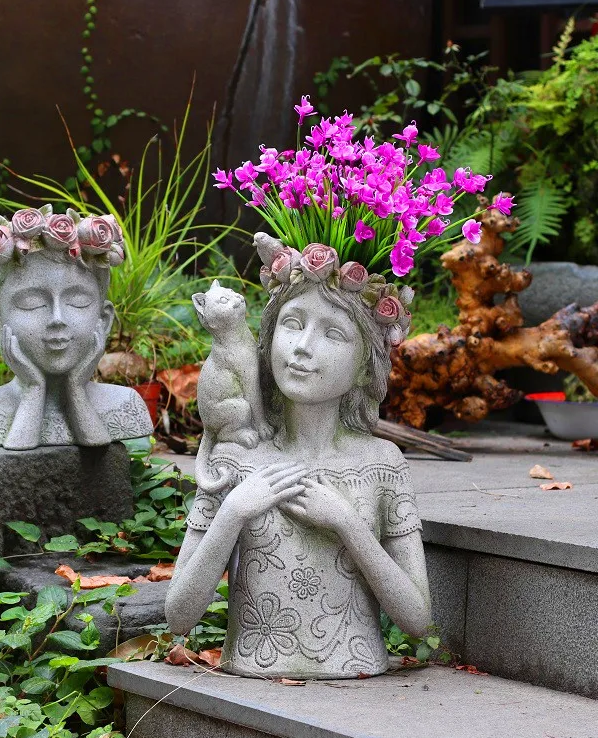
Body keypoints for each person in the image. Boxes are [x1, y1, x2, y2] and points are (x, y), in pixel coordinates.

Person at [165, 252, 431, 679]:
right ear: (267, 338)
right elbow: (178, 616)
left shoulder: (383, 464)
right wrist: (232, 512)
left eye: (332, 333)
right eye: (291, 324)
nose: (303, 347)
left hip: (358, 673)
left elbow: (417, 621)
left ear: (365, 365)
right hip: (251, 671)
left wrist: (346, 523)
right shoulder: (235, 459)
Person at [0, 207, 152, 450]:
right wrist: (33, 389)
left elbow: (97, 444)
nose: (57, 319)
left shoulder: (124, 405)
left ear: (104, 319)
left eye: (77, 301)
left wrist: (77, 387)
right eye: (31, 302)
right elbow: (18, 452)